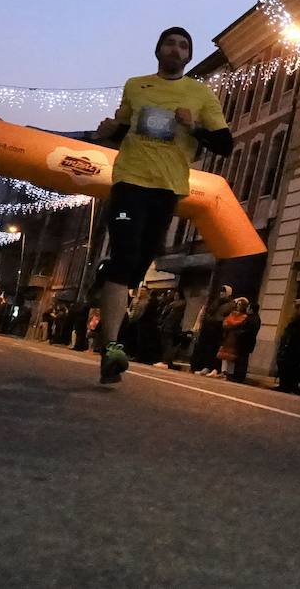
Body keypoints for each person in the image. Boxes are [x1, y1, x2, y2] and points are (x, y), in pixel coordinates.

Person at [92, 27, 233, 384]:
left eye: (183, 45)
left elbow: (225, 144)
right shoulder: (136, 85)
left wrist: (195, 126)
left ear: (188, 57)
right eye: (170, 42)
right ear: (158, 50)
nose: (176, 49)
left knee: (138, 264)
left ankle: (108, 304)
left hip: (168, 188)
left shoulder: (200, 94)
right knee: (124, 256)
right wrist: (110, 129)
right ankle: (111, 346)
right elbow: (127, 128)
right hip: (129, 180)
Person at [275, 300, 300, 392]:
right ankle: (285, 384)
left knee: (290, 365)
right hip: (291, 345)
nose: (295, 309)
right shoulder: (295, 319)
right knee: (285, 364)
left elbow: (295, 334)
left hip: (294, 346)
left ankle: (287, 385)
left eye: (298, 307)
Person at [154, 289, 188, 370]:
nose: (175, 297)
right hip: (167, 326)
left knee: (168, 344)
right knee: (165, 344)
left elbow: (173, 315)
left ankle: (166, 361)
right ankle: (167, 361)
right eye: (175, 295)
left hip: (172, 327)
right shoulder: (172, 305)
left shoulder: (179, 304)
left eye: (177, 295)